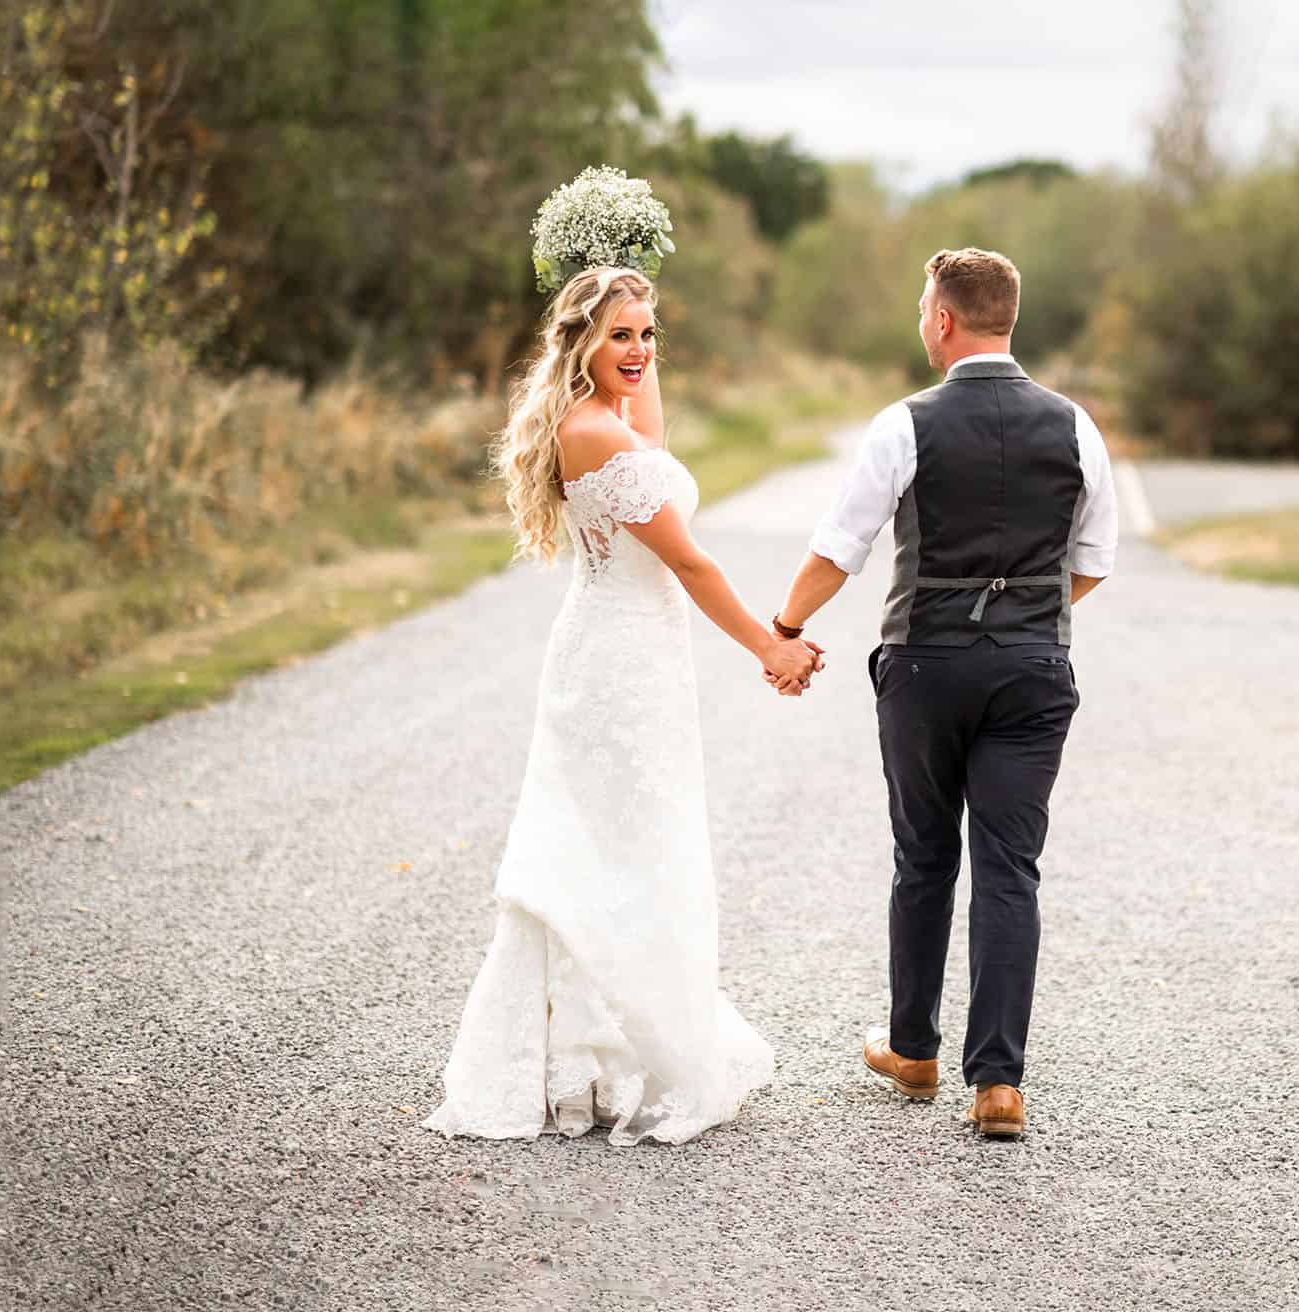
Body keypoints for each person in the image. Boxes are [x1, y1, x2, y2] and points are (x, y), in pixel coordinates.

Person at [423, 268, 820, 1147]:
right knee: (621, 849)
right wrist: (772, 647)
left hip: (634, 654)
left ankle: (605, 1059)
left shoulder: (608, 421)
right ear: (579, 345)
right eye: (619, 337)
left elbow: (656, 437)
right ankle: (604, 1058)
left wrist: (629, 289)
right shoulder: (592, 435)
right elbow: (692, 564)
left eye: (648, 334)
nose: (638, 351)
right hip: (616, 667)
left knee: (632, 846)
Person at [770, 248, 1118, 1139]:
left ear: (944, 321)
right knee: (1011, 867)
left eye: (925, 308)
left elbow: (839, 547)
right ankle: (998, 1084)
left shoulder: (904, 424)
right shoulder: (1077, 427)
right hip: (1034, 670)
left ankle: (914, 1051)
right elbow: (1093, 562)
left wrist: (783, 626)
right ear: (1009, 318)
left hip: (925, 665)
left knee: (924, 856)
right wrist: (1024, 615)